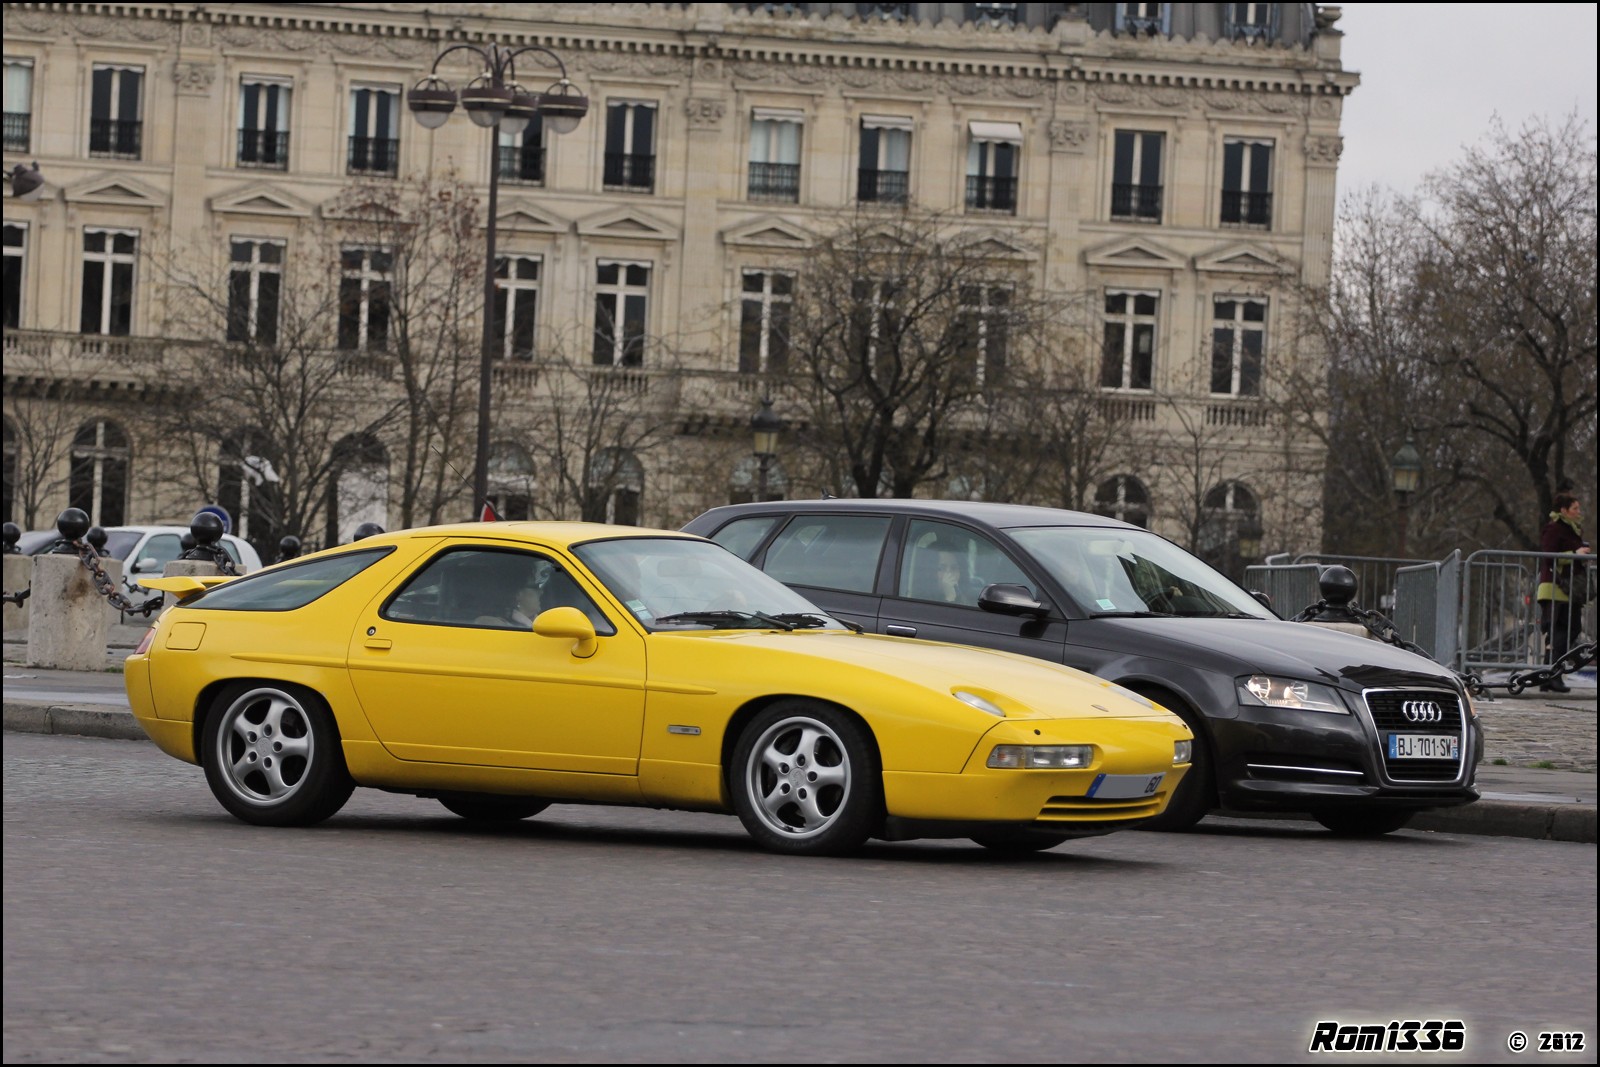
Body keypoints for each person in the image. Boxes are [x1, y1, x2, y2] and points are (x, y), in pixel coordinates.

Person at [1535, 491, 1591, 693]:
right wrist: (1574, 554)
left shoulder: (1570, 530)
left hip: (1568, 589)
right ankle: (1554, 675)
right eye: (1575, 508)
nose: (1578, 512)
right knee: (1563, 631)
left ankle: (1548, 677)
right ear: (1564, 510)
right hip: (1556, 588)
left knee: (1567, 630)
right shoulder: (1554, 529)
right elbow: (1549, 555)